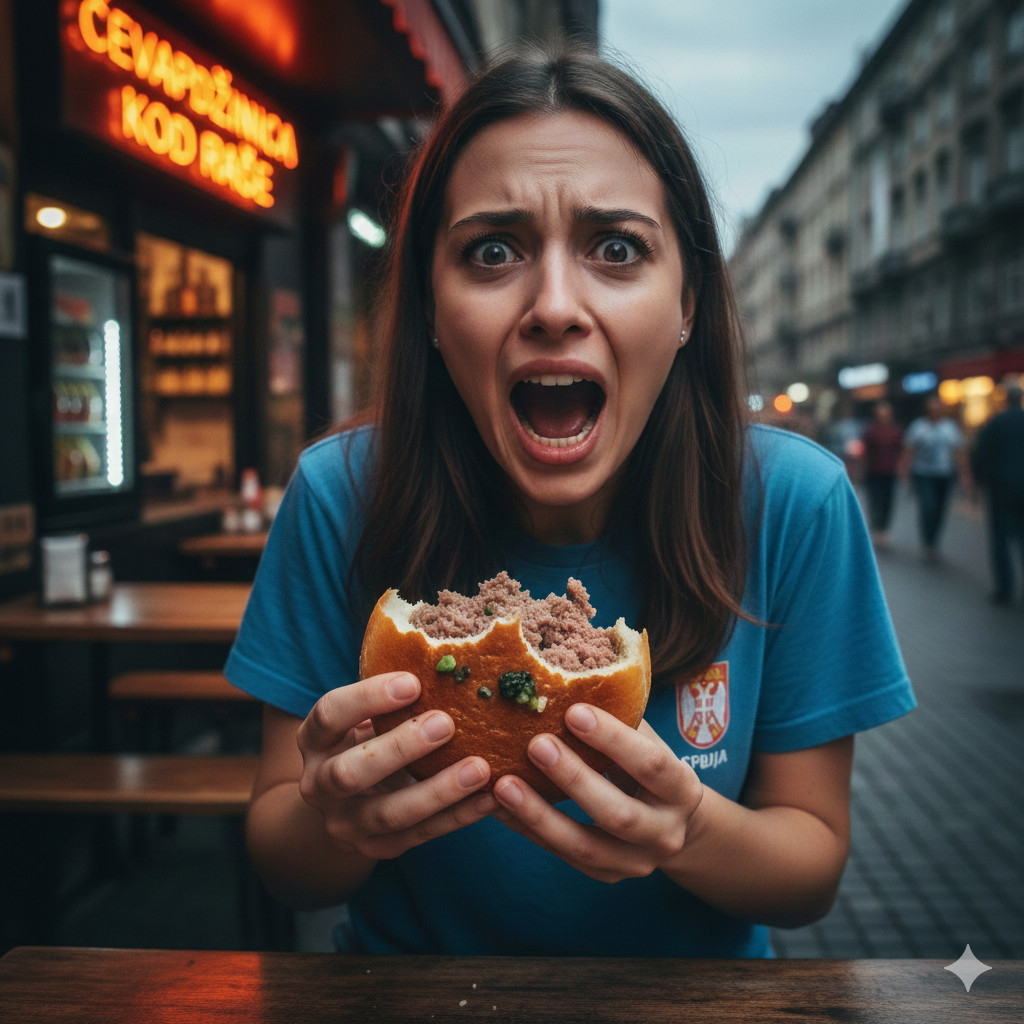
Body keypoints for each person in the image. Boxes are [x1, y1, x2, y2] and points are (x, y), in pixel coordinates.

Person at [225, 45, 914, 958]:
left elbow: (810, 868)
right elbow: (283, 855)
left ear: (688, 305)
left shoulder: (794, 503)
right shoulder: (339, 494)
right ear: (431, 307)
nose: (554, 305)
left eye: (617, 248)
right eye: (493, 251)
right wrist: (336, 818)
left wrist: (689, 831)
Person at [970, 381, 1024, 604]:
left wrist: (978, 482)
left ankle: (1005, 587)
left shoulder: (996, 423)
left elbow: (980, 454)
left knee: (1000, 539)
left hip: (1001, 488)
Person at [900, 395, 969, 561]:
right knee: (928, 506)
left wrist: (965, 474)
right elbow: (909, 451)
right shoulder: (918, 427)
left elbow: (958, 452)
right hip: (923, 474)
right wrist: (904, 471)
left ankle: (933, 541)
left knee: (940, 509)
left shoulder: (950, 428)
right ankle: (928, 541)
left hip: (944, 474)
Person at [860, 401, 904, 548]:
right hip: (874, 472)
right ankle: (877, 527)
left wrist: (902, 469)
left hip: (890, 472)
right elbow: (865, 452)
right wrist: (862, 469)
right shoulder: (871, 431)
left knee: (888, 502)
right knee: (875, 501)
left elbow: (901, 451)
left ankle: (884, 529)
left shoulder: (896, 432)